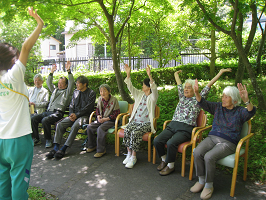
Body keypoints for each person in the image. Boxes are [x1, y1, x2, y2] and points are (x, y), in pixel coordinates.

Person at [153, 69, 232, 176]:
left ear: (194, 89)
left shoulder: (198, 100)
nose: (185, 89)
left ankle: (170, 166)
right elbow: (178, 83)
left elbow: (209, 85)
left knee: (171, 143)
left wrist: (220, 72)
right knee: (157, 140)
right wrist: (176, 74)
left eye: (189, 88)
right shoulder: (182, 97)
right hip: (173, 125)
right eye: (185, 87)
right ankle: (164, 160)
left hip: (186, 128)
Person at [0, 8, 43, 200]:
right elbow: (26, 47)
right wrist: (39, 24)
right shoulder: (14, 76)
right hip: (18, 140)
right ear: (11, 60)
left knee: (3, 182)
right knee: (19, 182)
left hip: (1, 140)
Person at [190, 82, 256, 200]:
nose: (223, 99)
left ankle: (209, 186)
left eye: (226, 97)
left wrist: (246, 100)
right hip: (212, 138)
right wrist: (196, 92)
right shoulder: (218, 107)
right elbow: (202, 103)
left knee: (209, 156)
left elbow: (251, 112)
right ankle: (201, 181)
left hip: (228, 142)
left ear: (234, 100)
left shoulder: (240, 112)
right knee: (197, 151)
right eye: (223, 96)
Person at [46, 75, 96, 159]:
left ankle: (64, 148)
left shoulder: (91, 93)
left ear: (84, 84)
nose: (76, 84)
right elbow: (71, 105)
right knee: (60, 124)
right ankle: (55, 148)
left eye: (78, 83)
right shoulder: (75, 92)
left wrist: (77, 115)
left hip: (84, 117)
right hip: (74, 115)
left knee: (76, 125)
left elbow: (88, 108)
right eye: (76, 82)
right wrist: (71, 114)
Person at [122, 64, 158, 169]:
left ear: (148, 87)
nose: (142, 86)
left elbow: (154, 90)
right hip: (135, 121)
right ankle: (128, 154)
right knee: (127, 129)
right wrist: (128, 74)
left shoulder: (152, 97)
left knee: (135, 132)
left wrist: (150, 76)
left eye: (143, 85)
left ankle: (134, 157)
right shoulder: (139, 94)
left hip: (146, 123)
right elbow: (130, 87)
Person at [31, 61, 74, 148]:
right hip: (48, 112)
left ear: (66, 85)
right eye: (59, 83)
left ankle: (48, 140)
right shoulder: (54, 90)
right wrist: (51, 72)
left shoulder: (67, 92)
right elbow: (48, 83)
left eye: (62, 83)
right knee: (33, 118)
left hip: (57, 113)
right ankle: (36, 139)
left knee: (45, 120)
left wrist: (69, 71)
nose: (60, 85)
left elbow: (72, 82)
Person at [86, 84, 120, 158]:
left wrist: (106, 119)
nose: (102, 93)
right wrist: (98, 116)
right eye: (101, 91)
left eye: (104, 91)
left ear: (109, 91)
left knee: (100, 128)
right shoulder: (100, 99)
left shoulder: (114, 100)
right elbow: (97, 110)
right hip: (101, 119)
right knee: (90, 127)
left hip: (110, 120)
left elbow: (116, 114)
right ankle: (92, 146)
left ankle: (101, 150)